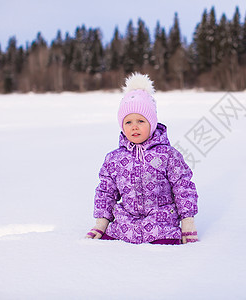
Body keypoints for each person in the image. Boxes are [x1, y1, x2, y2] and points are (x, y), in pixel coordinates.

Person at [85, 73, 198, 245]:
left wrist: (188, 222)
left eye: (141, 121)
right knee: (106, 250)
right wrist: (101, 224)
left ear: (152, 123)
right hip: (124, 227)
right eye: (128, 122)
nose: (134, 126)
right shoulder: (114, 159)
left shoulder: (168, 155)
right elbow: (105, 192)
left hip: (162, 225)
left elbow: (183, 187)